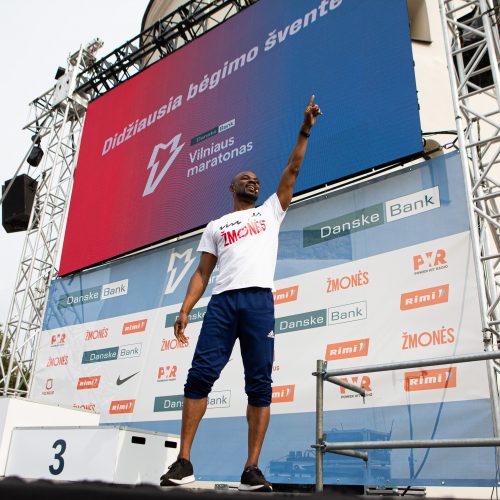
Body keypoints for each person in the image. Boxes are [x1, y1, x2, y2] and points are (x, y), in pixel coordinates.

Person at [160, 96, 322, 491]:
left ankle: (251, 469)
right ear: (231, 187)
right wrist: (184, 309)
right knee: (199, 377)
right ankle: (183, 462)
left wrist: (304, 130)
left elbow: (293, 169)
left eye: (256, 179)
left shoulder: (269, 212)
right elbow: (202, 272)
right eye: (245, 178)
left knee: (259, 384)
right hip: (222, 304)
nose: (254, 181)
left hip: (258, 302)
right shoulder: (215, 225)